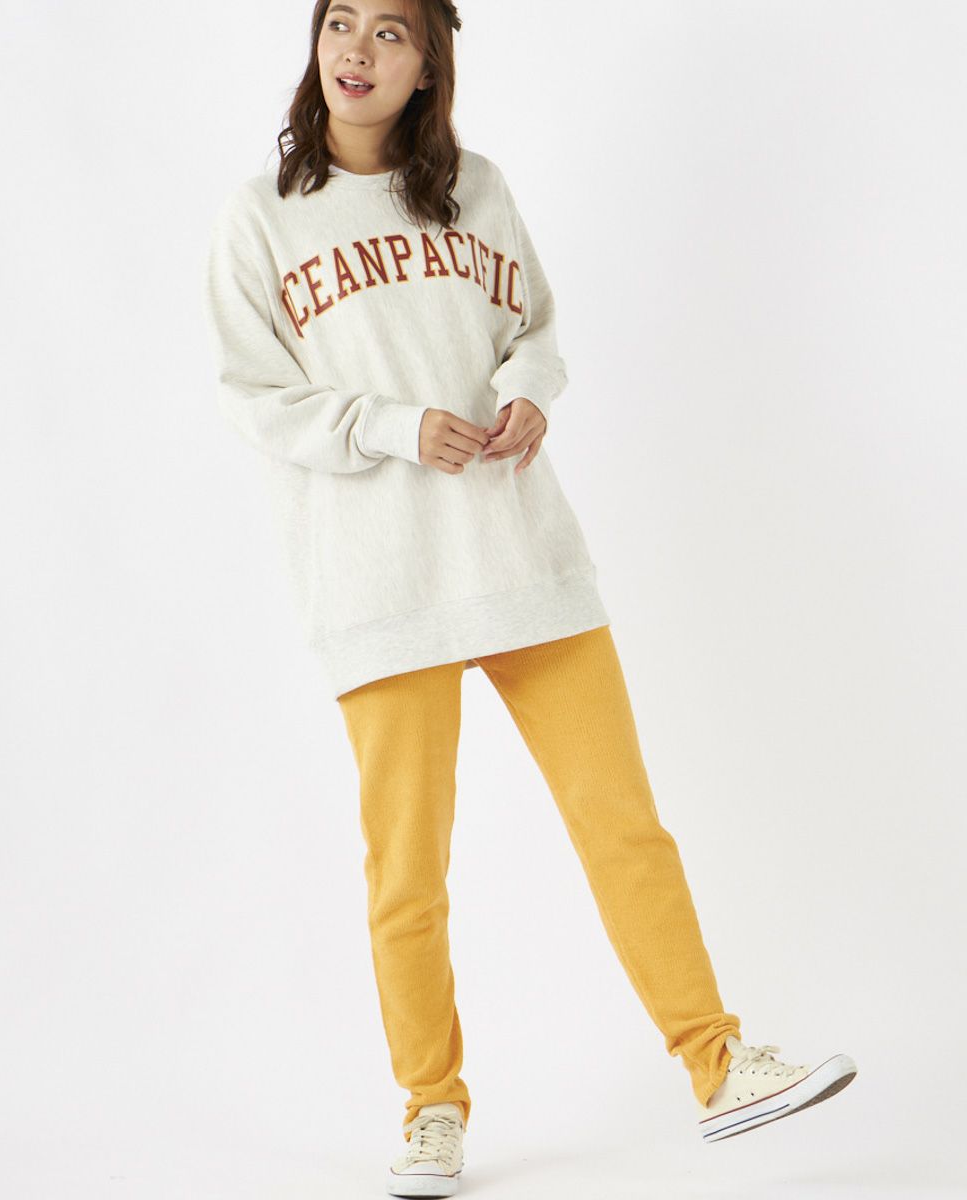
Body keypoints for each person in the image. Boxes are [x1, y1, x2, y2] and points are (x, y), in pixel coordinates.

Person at [203, 1, 858, 1194]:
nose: (355, 50)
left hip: (522, 556)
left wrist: (529, 393)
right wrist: (393, 426)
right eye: (339, 22)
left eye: (389, 33)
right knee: (408, 874)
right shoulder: (263, 217)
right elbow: (255, 396)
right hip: (381, 581)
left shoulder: (477, 191)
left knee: (623, 824)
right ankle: (430, 1110)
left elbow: (535, 330)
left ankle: (719, 1066)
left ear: (427, 65)